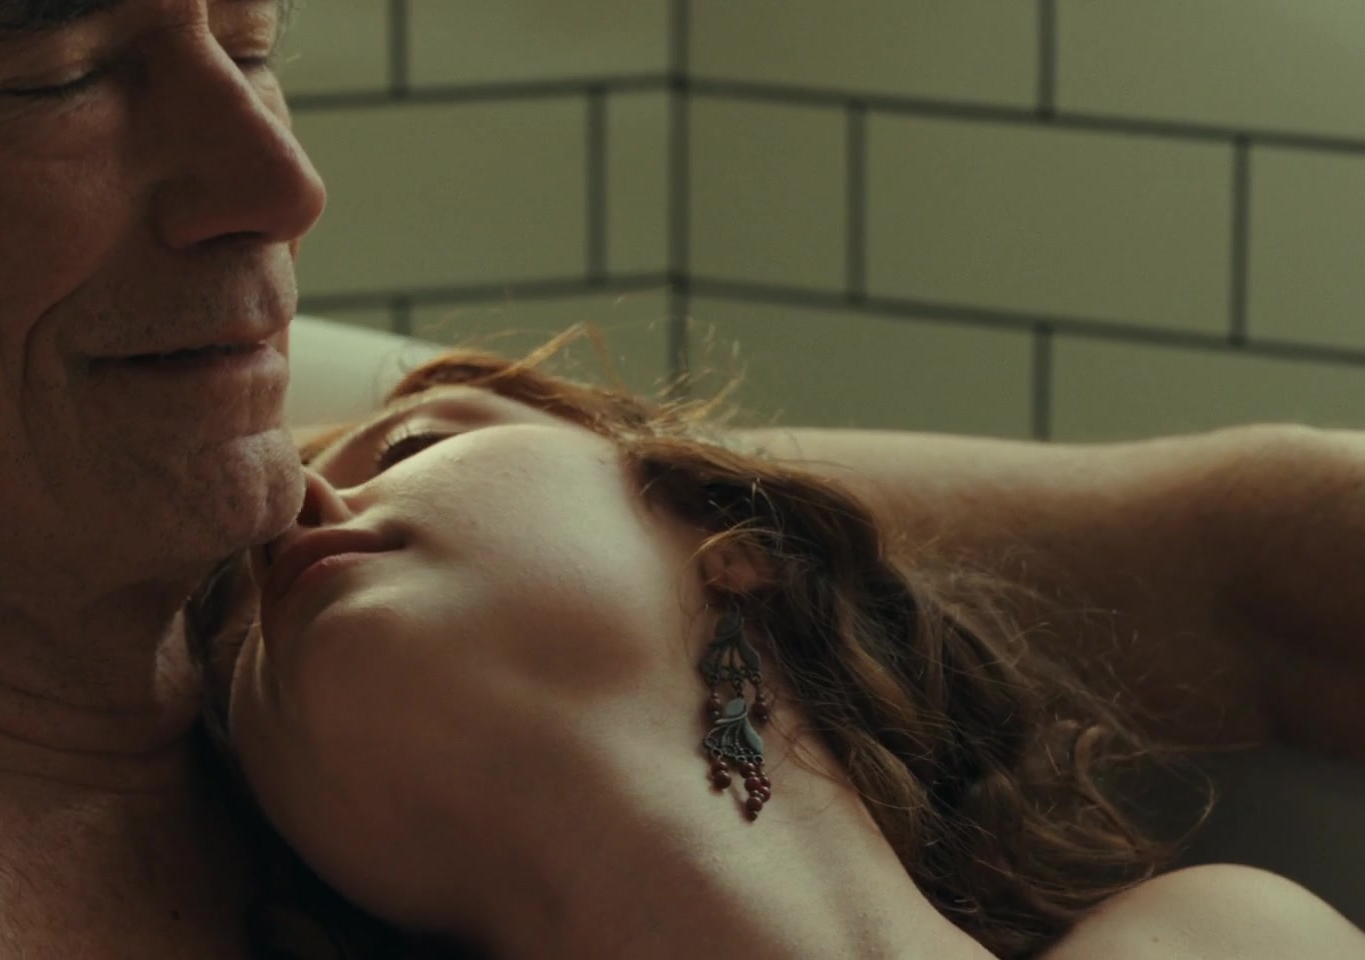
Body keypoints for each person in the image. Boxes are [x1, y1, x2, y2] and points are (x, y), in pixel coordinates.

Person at [0, 1, 1361, 957]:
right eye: (68, 71)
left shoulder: (401, 577)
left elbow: (1279, 559)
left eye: (252, 40)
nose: (278, 186)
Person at [202, 344, 1365, 959]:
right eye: (233, 630)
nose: (293, 509)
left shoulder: (1224, 938)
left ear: (737, 550)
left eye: (405, 448)